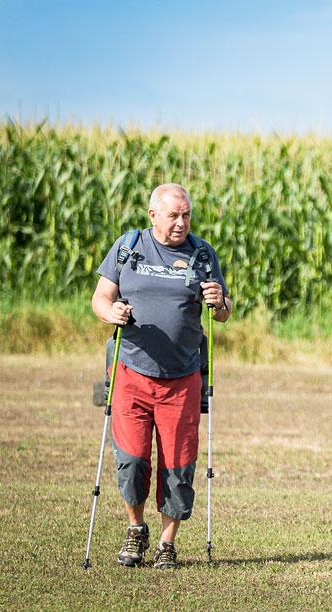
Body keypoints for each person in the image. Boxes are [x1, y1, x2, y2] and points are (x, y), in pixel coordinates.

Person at [91, 183, 231, 569]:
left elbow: (223, 311)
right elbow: (100, 297)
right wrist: (110, 313)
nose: (181, 223)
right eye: (173, 215)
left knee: (178, 465)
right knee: (132, 461)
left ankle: (168, 542)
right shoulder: (128, 246)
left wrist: (220, 302)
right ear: (153, 215)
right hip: (131, 372)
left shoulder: (203, 254)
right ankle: (136, 529)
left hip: (183, 378)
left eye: (186, 215)